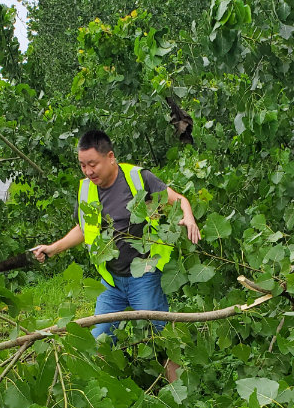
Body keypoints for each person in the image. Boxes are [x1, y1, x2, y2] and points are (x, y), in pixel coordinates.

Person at [31, 129, 201, 382]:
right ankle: (97, 395)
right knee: (100, 341)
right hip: (110, 283)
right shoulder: (86, 190)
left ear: (110, 157)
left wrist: (188, 218)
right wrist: (53, 248)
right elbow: (83, 228)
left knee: (162, 337)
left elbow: (178, 200)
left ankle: (181, 396)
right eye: (82, 165)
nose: (88, 171)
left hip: (144, 276)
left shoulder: (136, 178)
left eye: (92, 164)